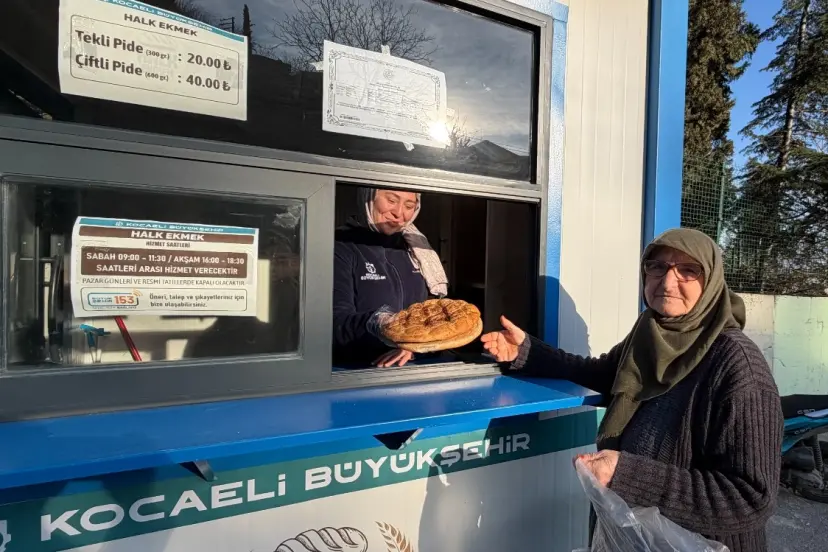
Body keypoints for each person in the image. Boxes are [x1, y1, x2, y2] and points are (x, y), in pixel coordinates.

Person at [481, 228, 783, 552]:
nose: (668, 283)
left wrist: (627, 474)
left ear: (710, 281)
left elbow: (749, 497)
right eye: (657, 267)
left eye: (688, 270)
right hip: (634, 537)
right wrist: (527, 351)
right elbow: (601, 373)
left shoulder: (737, 365)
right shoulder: (649, 332)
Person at [333, 187, 448, 368]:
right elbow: (335, 323)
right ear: (368, 197)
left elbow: (432, 314)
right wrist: (384, 326)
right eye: (392, 201)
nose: (399, 213)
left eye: (409, 206)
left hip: (417, 366)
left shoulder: (416, 250)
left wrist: (414, 346)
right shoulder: (341, 246)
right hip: (360, 370)